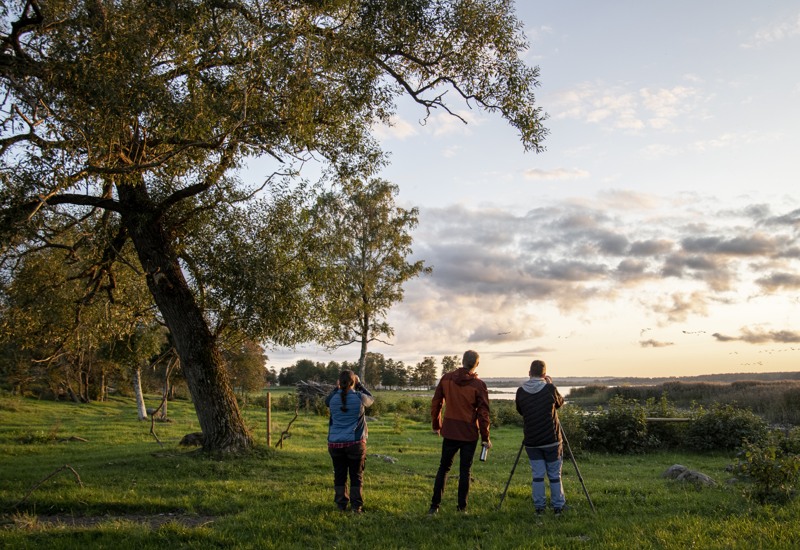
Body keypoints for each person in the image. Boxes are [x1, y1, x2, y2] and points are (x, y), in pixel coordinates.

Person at [428, 349, 492, 514]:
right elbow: (483, 413)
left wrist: (436, 425)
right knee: (465, 470)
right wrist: (485, 437)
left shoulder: (447, 378)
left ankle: (434, 507)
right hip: (469, 433)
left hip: (449, 430)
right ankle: (461, 508)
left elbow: (437, 403)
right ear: (476, 364)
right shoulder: (479, 385)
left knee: (444, 468)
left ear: (463, 361)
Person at [515, 359, 566, 516]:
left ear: (529, 373)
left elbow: (521, 410)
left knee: (537, 475)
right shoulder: (549, 388)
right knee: (554, 475)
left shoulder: (521, 391)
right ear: (544, 374)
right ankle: (558, 506)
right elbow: (560, 403)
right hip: (551, 440)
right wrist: (550, 383)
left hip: (531, 441)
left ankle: (539, 508)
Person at [325, 369, 374, 513]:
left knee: (339, 474)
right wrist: (359, 385)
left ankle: (341, 505)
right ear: (353, 382)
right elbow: (371, 399)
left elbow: (326, 401)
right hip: (355, 443)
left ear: (340, 382)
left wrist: (337, 387)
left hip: (335, 443)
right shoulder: (359, 397)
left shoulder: (332, 398)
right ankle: (356, 506)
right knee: (356, 475)